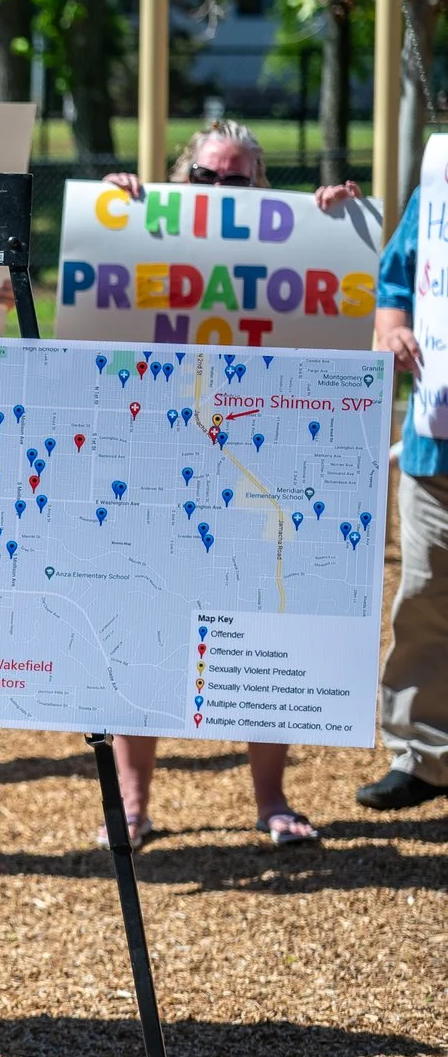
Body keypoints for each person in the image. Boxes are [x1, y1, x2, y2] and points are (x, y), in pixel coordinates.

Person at [96, 119, 358, 847]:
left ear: (259, 189)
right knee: (144, 627)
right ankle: (134, 805)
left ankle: (270, 799)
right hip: (156, 455)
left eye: (235, 180)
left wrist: (333, 221)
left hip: (258, 459)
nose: (218, 191)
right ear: (184, 179)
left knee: (263, 623)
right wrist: (114, 206)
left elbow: (336, 304)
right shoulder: (145, 227)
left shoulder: (295, 241)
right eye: (206, 178)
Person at [352, 173, 442, 816]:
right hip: (436, 446)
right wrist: (391, 328)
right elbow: (395, 278)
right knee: (423, 597)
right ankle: (423, 758)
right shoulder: (441, 183)